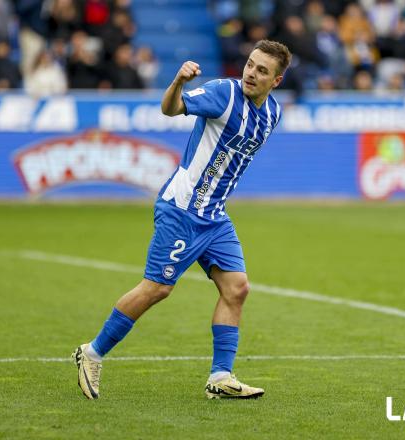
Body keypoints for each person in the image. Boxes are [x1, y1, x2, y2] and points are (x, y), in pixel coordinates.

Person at [72, 39, 291, 400]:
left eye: (262, 70)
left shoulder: (272, 115)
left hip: (215, 217)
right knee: (157, 288)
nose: (251, 73)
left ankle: (220, 376)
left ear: (276, 81)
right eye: (250, 64)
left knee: (237, 288)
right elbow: (170, 109)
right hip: (182, 210)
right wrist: (178, 82)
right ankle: (91, 353)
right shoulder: (224, 93)